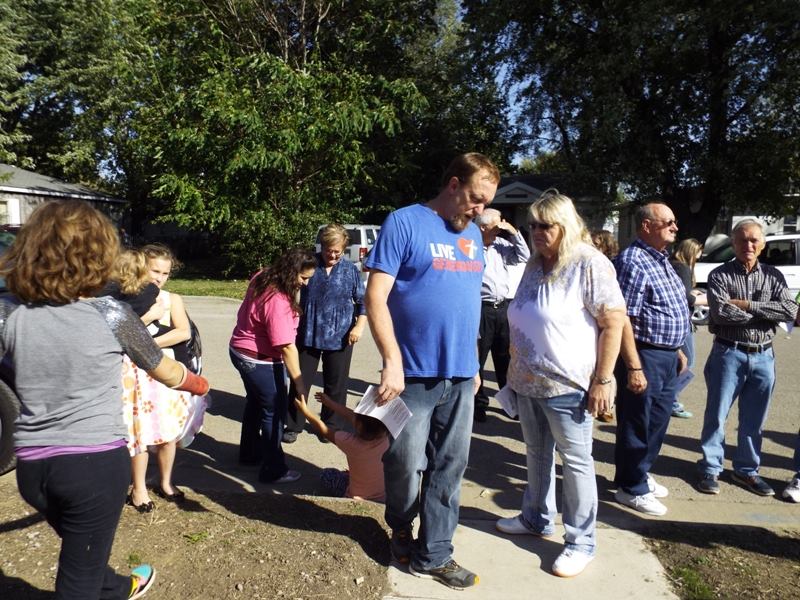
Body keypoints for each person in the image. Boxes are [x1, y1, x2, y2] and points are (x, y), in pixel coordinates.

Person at [0, 200, 208, 599]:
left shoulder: (9, 314)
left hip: (32, 468)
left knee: (84, 550)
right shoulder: (111, 314)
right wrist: (199, 384)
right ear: (100, 258)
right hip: (92, 466)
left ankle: (118, 586)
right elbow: (164, 370)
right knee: (77, 579)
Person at [364, 152, 500, 590]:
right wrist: (391, 361)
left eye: (486, 202)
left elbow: (468, 301)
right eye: (476, 198)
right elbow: (375, 297)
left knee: (450, 466)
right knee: (404, 464)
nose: (481, 210)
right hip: (411, 377)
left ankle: (435, 553)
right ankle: (401, 526)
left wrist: (474, 364)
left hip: (460, 375)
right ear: (453, 184)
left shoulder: (473, 235)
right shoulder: (404, 222)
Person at [494, 191, 625, 578]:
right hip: (527, 382)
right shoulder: (535, 263)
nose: (536, 231)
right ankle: (535, 517)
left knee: (577, 462)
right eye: (532, 225)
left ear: (565, 226)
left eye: (545, 225)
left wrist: (603, 379)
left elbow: (613, 322)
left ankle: (581, 542)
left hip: (568, 386)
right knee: (536, 453)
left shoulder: (589, 263)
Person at [696, 219, 797, 496]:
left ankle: (746, 470)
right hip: (729, 352)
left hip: (764, 355)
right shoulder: (720, 275)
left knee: (754, 419)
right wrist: (766, 313)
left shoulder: (774, 276)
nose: (748, 245)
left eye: (754, 240)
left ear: (762, 244)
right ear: (733, 242)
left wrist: (746, 305)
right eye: (742, 240)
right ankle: (710, 468)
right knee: (717, 415)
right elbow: (722, 314)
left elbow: (789, 311)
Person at [612, 202, 690, 516]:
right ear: (647, 226)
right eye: (668, 222)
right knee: (637, 421)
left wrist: (677, 349)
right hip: (644, 354)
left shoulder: (660, 259)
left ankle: (639, 473)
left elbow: (665, 309)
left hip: (666, 355)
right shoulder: (633, 260)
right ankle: (631, 488)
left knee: (657, 420)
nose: (675, 227)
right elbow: (623, 319)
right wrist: (633, 366)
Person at [229, 248, 317, 483]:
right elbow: (286, 346)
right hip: (259, 359)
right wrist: (299, 383)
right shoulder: (278, 300)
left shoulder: (264, 275)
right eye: (303, 277)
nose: (305, 283)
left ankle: (249, 454)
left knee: (256, 403)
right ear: (290, 271)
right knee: (275, 412)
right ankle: (273, 470)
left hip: (240, 351)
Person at [123, 244, 196, 511]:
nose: (159, 278)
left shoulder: (171, 299)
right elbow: (121, 332)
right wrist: (148, 318)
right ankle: (139, 488)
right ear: (142, 268)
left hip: (165, 373)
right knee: (139, 432)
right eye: (155, 271)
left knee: (168, 431)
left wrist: (148, 344)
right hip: (136, 377)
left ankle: (166, 482)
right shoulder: (127, 297)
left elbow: (183, 332)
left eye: (165, 273)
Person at [284, 224, 367, 443]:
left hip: (341, 336)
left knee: (336, 385)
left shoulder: (350, 270)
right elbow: (291, 291)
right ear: (322, 246)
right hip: (308, 333)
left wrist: (359, 327)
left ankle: (331, 426)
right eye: (329, 250)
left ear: (344, 249)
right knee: (300, 380)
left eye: (337, 252)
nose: (333, 255)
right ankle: (294, 424)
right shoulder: (310, 265)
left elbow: (363, 302)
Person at [473, 208, 530, 423]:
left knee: (505, 358)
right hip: (481, 308)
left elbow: (525, 256)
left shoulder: (502, 244)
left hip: (503, 308)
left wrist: (514, 233)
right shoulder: (471, 246)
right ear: (482, 227)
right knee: (478, 359)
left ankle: (510, 405)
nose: (500, 228)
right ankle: (478, 405)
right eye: (496, 225)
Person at [294, 392, 389, 501]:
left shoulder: (351, 443)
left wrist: (305, 412)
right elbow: (353, 416)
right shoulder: (385, 438)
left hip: (356, 498)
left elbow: (324, 430)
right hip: (384, 496)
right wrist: (330, 403)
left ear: (358, 425)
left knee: (327, 474)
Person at [669, 238, 707, 419]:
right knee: (687, 362)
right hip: (682, 321)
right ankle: (671, 400)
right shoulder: (682, 267)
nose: (699, 257)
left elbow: (679, 291)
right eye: (698, 253)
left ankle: (669, 398)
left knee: (677, 362)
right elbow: (684, 297)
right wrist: (705, 299)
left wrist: (693, 291)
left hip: (675, 320)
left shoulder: (672, 263)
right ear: (691, 251)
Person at [591, 229, 620, 424]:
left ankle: (607, 406)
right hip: (592, 323)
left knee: (607, 367)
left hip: (607, 321)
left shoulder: (609, 266)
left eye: (596, 243)